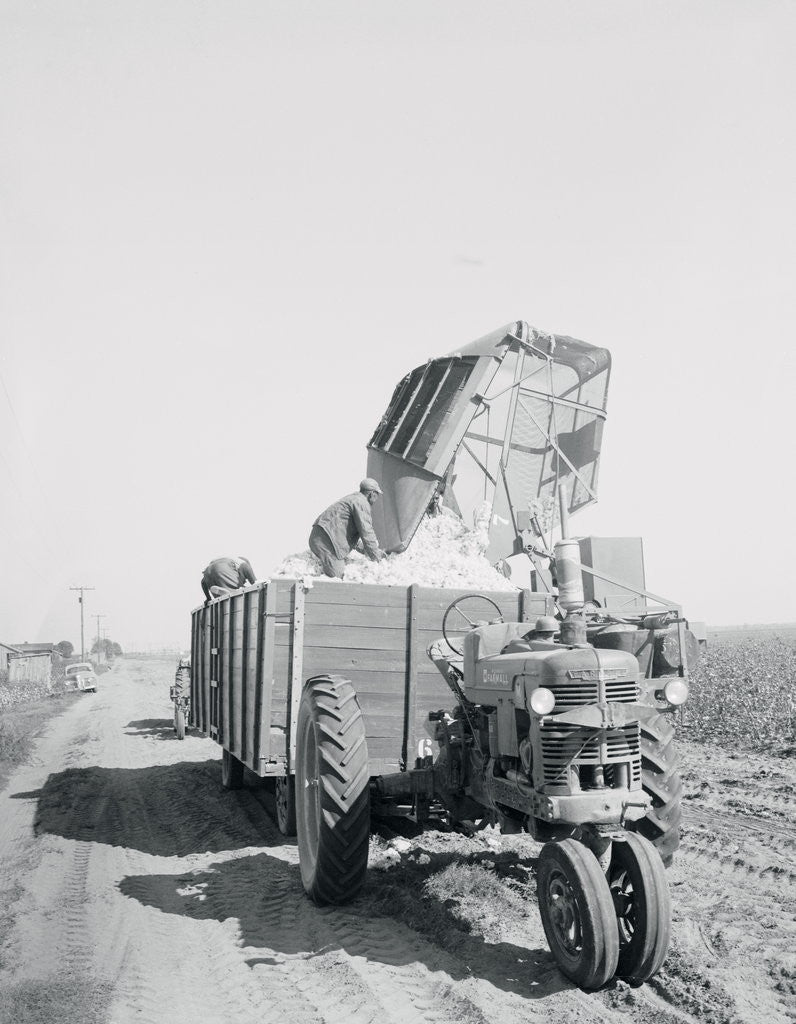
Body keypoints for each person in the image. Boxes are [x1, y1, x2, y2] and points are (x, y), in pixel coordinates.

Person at [309, 479, 387, 578]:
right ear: (372, 494)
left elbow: (346, 535)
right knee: (338, 577)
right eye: (377, 495)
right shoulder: (362, 503)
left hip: (322, 536)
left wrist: (366, 550)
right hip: (325, 541)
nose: (377, 499)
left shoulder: (354, 498)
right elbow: (367, 532)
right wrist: (377, 558)